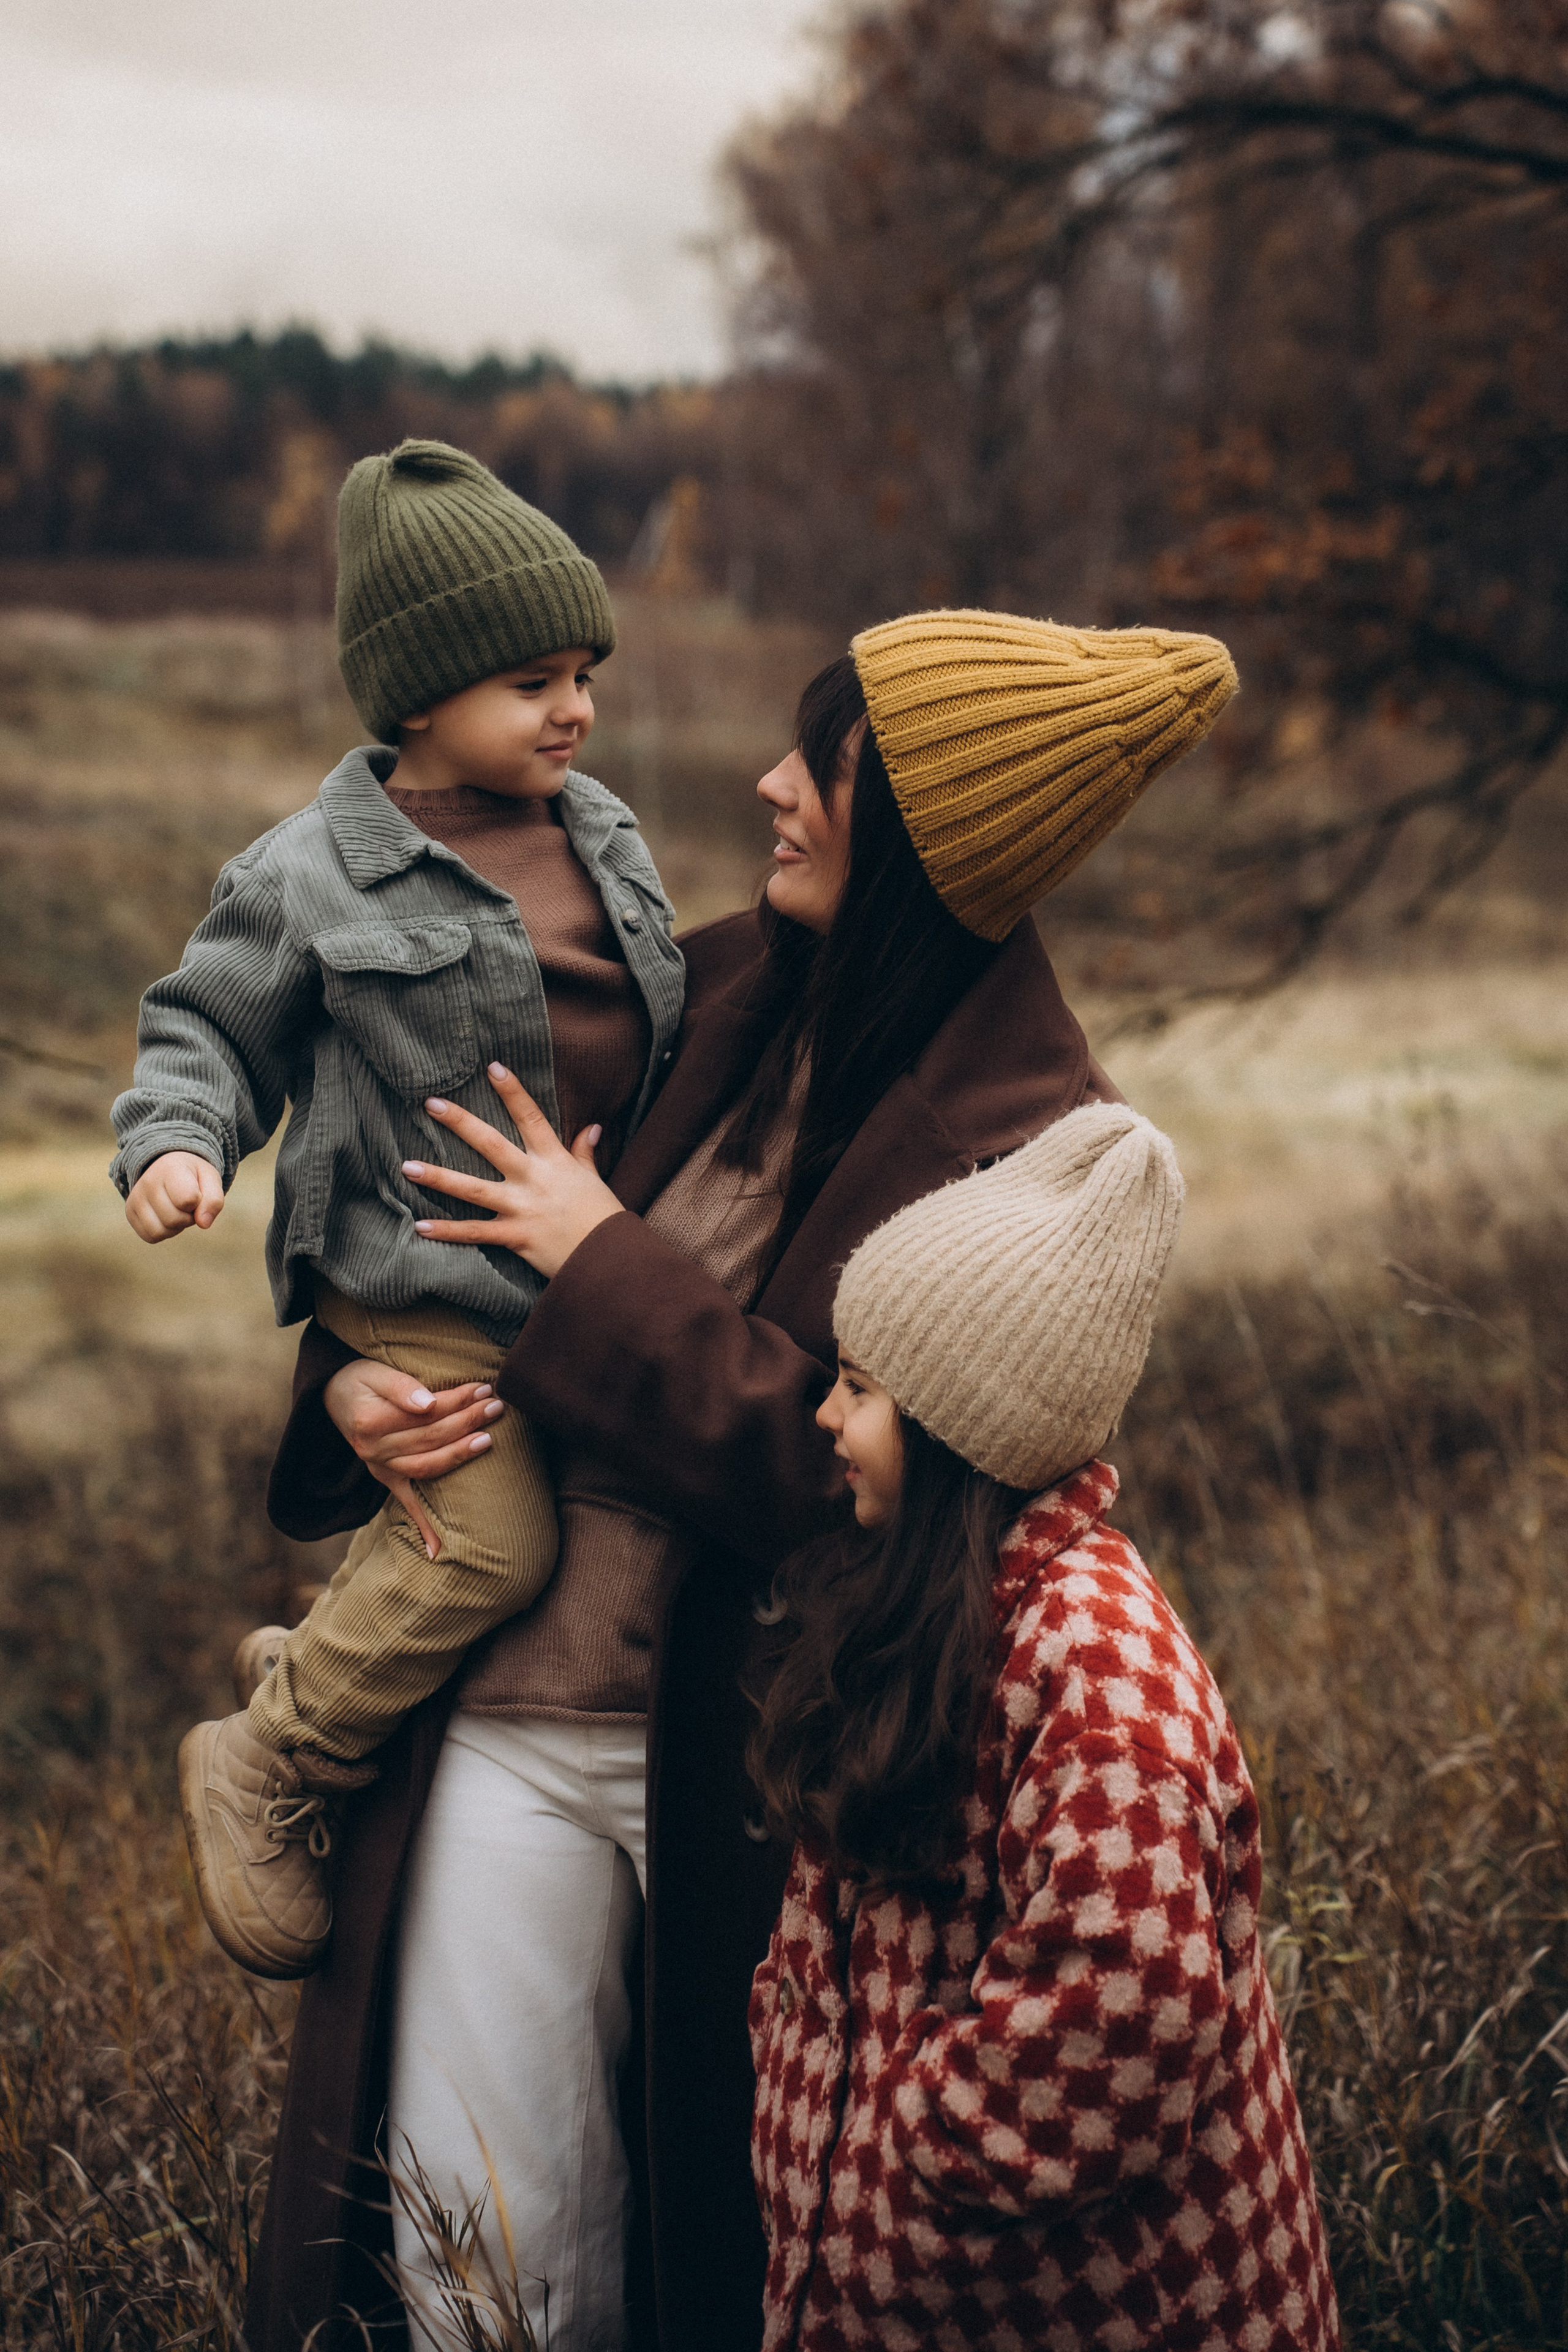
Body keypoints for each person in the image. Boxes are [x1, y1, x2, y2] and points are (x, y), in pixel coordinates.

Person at [249, 610, 1239, 2352]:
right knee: (484, 2266)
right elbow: (435, 1233)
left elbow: (885, 1475)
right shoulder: (683, 989)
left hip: (761, 1771)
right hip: (513, 1700)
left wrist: (609, 1263)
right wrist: (356, 1388)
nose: (771, 786)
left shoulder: (1038, 1137)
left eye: (826, 765)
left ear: (929, 833)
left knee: (732, 2261)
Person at [109, 439, 682, 1980]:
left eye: (584, 674)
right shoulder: (314, 874)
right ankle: (274, 1752)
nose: (572, 708)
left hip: (583, 1280)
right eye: (529, 681)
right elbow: (207, 1027)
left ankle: (328, 1653)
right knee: (489, 1548)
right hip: (421, 1285)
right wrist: (178, 1145)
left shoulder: (603, 835)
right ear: (419, 695)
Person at [745, 1101, 1342, 2350]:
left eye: (858, 1389)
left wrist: (894, 2153)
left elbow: (1112, 2021)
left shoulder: (1096, 1678)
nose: (823, 1417)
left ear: (962, 1425)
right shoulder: (935, 1614)